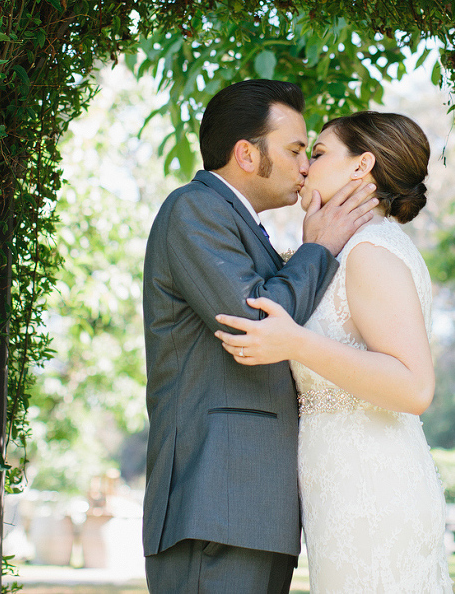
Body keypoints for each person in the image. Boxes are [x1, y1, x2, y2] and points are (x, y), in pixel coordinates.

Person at [141, 79, 378, 594]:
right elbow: (259, 323)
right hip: (215, 500)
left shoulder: (245, 228)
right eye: (296, 150)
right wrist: (320, 248)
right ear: (246, 154)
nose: (305, 166)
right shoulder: (192, 210)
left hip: (254, 505)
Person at [215, 110, 454, 593]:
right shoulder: (345, 252)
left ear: (361, 167)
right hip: (340, 491)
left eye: (319, 153)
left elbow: (414, 385)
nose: (304, 167)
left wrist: (296, 341)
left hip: (374, 491)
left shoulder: (371, 251)